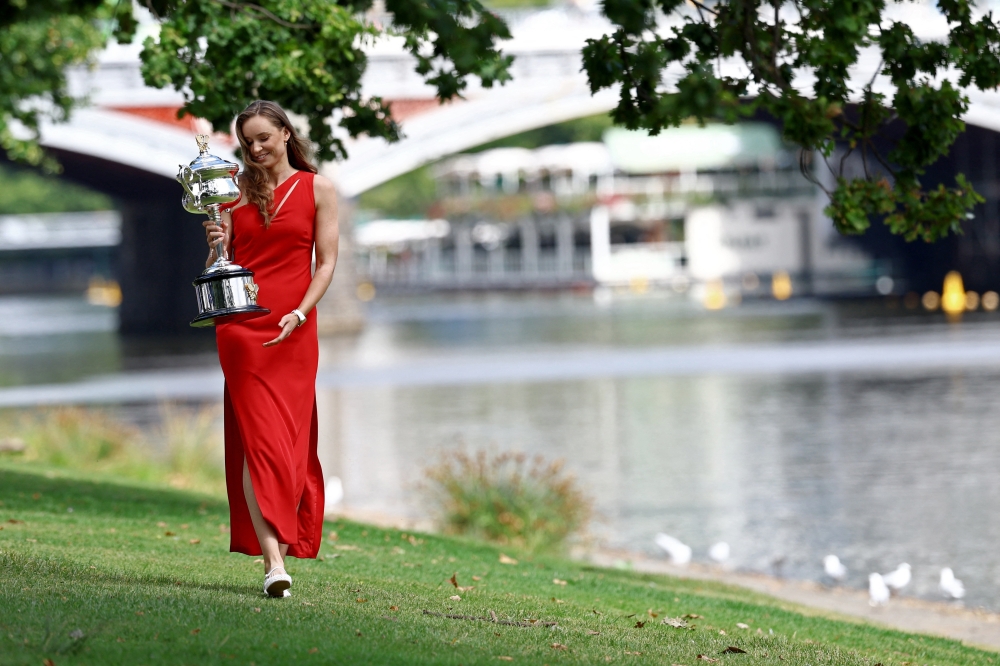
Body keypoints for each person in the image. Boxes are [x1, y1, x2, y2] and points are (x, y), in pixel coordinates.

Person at [203, 100, 339, 598]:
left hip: (296, 329)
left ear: (285, 133)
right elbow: (220, 266)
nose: (256, 148)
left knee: (291, 445)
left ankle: (280, 547)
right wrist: (216, 244)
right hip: (243, 329)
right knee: (258, 440)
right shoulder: (233, 193)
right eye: (248, 142)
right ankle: (273, 563)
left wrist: (300, 312)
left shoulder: (319, 189)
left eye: (264, 137)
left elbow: (326, 264)